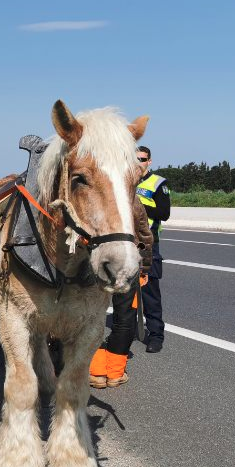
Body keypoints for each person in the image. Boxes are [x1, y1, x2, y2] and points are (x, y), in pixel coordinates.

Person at [89, 145, 169, 388]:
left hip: (129, 256)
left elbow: (160, 216)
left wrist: (145, 265)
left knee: (106, 314)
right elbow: (143, 232)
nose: (138, 163)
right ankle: (112, 372)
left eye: (142, 159)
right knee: (123, 316)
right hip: (131, 255)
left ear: (149, 161)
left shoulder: (153, 184)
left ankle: (153, 337)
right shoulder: (126, 194)